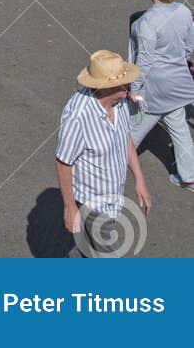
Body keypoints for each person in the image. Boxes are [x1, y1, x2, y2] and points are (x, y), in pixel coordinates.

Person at [56, 49, 152, 256]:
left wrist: (140, 179)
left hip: (113, 196)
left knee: (86, 252)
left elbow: (124, 136)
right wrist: (70, 208)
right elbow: (64, 162)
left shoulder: (120, 103)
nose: (129, 86)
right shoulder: (78, 117)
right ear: (109, 87)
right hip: (91, 203)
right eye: (125, 83)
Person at [129, 0, 194, 190]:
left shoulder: (145, 22)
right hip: (179, 84)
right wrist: (179, 60)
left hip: (154, 89)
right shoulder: (184, 12)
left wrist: (134, 88)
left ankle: (111, 164)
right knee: (180, 129)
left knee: (132, 129)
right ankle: (190, 176)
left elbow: (144, 60)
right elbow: (189, 45)